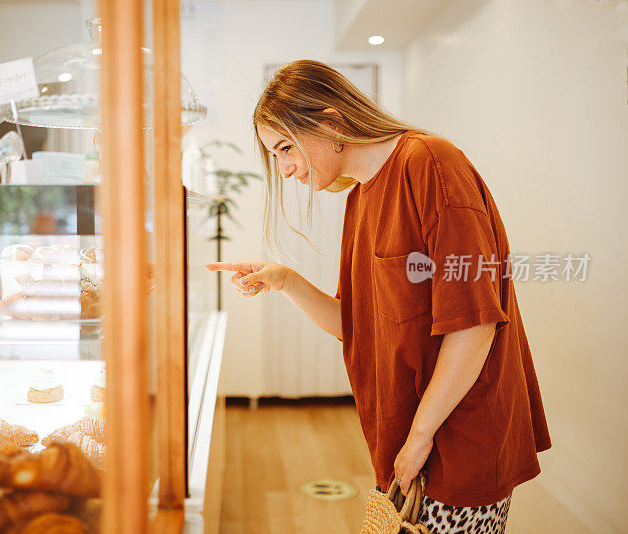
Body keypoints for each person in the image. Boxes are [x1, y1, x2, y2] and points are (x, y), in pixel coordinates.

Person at [207, 60, 551, 534]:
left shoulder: (429, 162)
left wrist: (418, 438)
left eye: (286, 148)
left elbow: (475, 325)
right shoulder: (361, 198)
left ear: (331, 123)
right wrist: (285, 280)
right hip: (412, 439)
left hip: (460, 437)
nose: (285, 170)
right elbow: (357, 325)